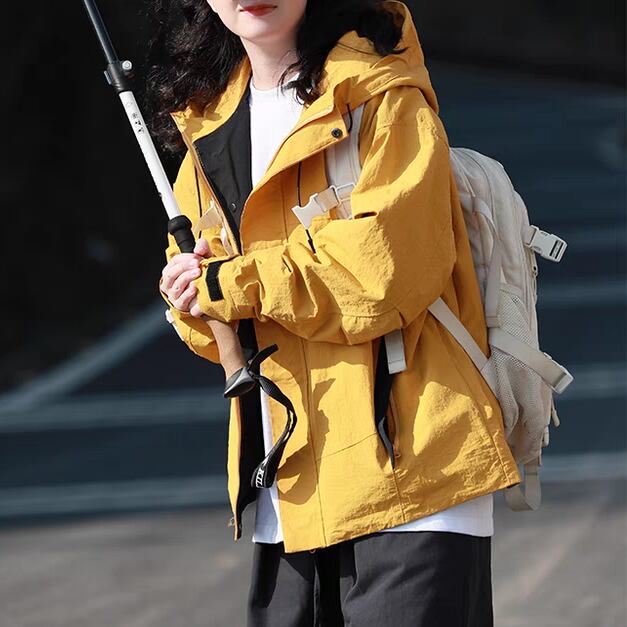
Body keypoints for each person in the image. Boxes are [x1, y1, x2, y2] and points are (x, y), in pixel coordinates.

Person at [151, 1, 521, 624]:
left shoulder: (380, 93)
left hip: (413, 480)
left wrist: (232, 282)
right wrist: (188, 297)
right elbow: (221, 324)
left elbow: (387, 270)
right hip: (290, 494)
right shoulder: (205, 126)